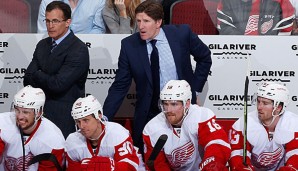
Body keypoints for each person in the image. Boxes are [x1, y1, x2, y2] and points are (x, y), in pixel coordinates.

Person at [103, 0, 212, 153]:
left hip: (182, 112)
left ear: (158, 22)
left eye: (146, 21)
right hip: (149, 113)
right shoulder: (129, 45)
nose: (141, 26)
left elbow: (205, 58)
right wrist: (104, 119)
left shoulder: (181, 34)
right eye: (139, 21)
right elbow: (120, 85)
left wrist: (194, 91)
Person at [24, 1, 90, 138]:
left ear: (68, 22)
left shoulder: (78, 49)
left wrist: (38, 75)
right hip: (38, 116)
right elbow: (27, 79)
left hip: (63, 119)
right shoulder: (42, 45)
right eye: (47, 21)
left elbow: (58, 85)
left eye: (55, 21)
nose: (50, 26)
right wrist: (43, 76)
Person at [142, 80, 231, 170]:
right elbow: (157, 164)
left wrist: (211, 166)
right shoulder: (152, 129)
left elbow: (217, 143)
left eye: (174, 104)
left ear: (187, 103)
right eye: (166, 104)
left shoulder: (200, 116)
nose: (168, 110)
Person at [229, 82, 298, 171]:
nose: (259, 107)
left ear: (279, 107)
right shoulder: (244, 123)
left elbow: (295, 157)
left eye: (265, 103)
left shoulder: (292, 123)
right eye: (258, 101)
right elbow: (238, 158)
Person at [65, 95, 145, 171]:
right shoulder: (73, 141)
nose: (81, 126)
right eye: (78, 121)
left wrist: (110, 167)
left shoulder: (117, 133)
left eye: (86, 120)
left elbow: (130, 167)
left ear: (99, 116)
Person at [0, 85, 65, 170]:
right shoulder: (3, 123)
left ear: (39, 112)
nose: (20, 117)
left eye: (26, 112)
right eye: (17, 110)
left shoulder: (53, 139)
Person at [217, 0, 295, 35]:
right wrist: (245, 44)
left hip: (270, 52)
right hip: (238, 52)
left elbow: (285, 30)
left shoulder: (280, 1)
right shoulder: (227, 1)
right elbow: (224, 28)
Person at [37, 0, 106, 33]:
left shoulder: (98, 1)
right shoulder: (47, 2)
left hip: (87, 49)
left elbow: (98, 29)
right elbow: (43, 32)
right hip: (54, 50)